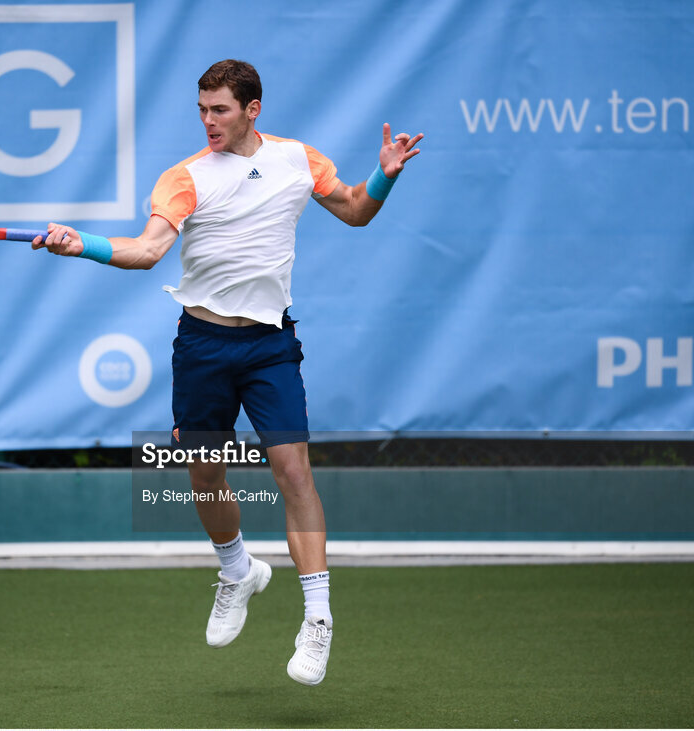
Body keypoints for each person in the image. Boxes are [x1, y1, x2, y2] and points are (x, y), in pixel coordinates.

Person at [33, 59, 423, 685]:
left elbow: (354, 210)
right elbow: (149, 250)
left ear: (252, 109)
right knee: (203, 472)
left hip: (270, 345)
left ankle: (317, 619)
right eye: (202, 110)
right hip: (202, 345)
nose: (209, 121)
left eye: (220, 110)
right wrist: (84, 244)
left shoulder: (299, 160)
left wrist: (383, 176)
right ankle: (238, 569)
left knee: (293, 469)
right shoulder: (185, 178)